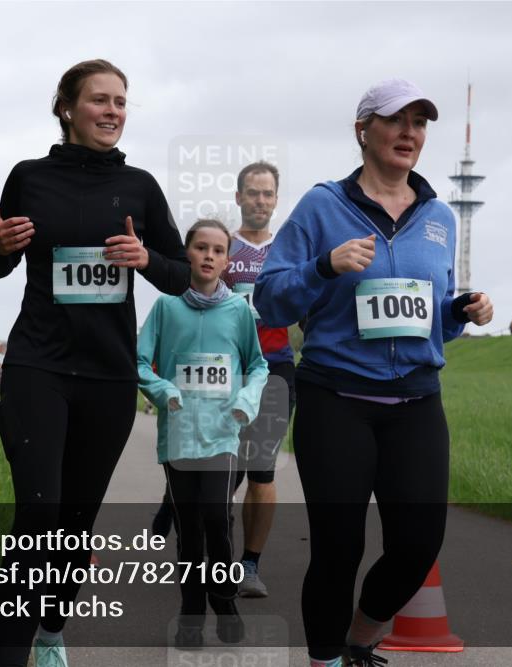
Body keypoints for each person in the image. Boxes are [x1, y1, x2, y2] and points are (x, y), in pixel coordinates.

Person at [254, 79, 494, 667]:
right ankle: (326, 658)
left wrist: (459, 312)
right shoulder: (321, 206)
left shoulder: (439, 216)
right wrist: (323, 267)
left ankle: (361, 635)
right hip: (336, 397)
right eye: (397, 120)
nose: (410, 133)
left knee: (417, 546)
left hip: (416, 401)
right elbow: (271, 300)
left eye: (420, 123)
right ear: (364, 131)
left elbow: (428, 315)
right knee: (338, 546)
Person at [0, 59, 190, 667]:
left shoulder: (142, 188)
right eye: (100, 100)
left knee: (72, 528)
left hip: (107, 374)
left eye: (121, 102)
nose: (113, 112)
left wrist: (145, 257)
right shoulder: (29, 177)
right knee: (38, 513)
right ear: (67, 108)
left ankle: (51, 629)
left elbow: (180, 277)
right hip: (38, 366)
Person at [137, 219, 269, 649]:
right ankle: (191, 614)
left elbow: (258, 366)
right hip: (177, 435)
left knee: (216, 517)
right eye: (201, 248)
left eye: (218, 250)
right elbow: (138, 363)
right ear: (187, 254)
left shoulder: (239, 312)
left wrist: (245, 402)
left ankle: (224, 598)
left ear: (228, 261)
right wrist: (164, 390)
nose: (209, 256)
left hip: (221, 433)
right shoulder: (165, 307)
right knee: (188, 529)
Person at [221, 161, 295, 598]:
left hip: (275, 367)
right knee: (220, 473)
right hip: (223, 371)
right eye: (253, 193)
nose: (260, 201)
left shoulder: (287, 251)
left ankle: (249, 565)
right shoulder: (221, 246)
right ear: (239, 197)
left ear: (276, 200)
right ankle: (212, 555)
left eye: (268, 194)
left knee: (261, 473)